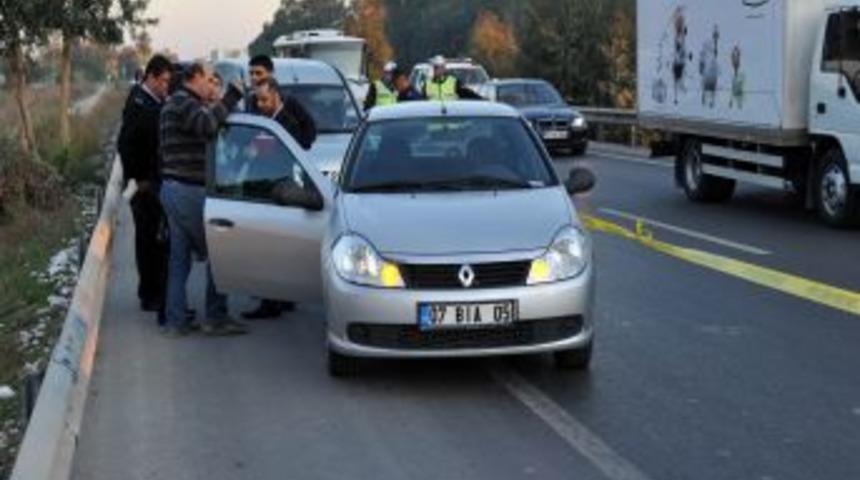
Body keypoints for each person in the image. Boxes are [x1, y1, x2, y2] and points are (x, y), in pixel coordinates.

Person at [159, 62, 246, 337]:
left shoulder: (178, 102)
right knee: (218, 252)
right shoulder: (184, 103)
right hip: (188, 191)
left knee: (179, 260)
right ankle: (215, 317)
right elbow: (207, 126)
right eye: (209, 79)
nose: (212, 85)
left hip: (175, 189)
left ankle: (176, 321)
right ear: (194, 78)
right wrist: (231, 97)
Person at [239, 77, 318, 321]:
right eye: (257, 100)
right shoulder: (268, 120)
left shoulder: (285, 123)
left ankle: (272, 301)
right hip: (269, 187)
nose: (260, 104)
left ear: (276, 96)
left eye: (264, 99)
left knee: (269, 249)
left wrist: (254, 150)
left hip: (277, 188)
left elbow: (298, 143)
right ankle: (280, 298)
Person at [117, 55, 173, 316]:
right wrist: (139, 179)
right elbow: (125, 145)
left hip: (152, 182)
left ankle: (155, 292)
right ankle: (151, 295)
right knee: (149, 242)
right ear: (150, 76)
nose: (166, 86)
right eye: (162, 81)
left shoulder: (151, 100)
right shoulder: (140, 103)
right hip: (145, 185)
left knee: (155, 241)